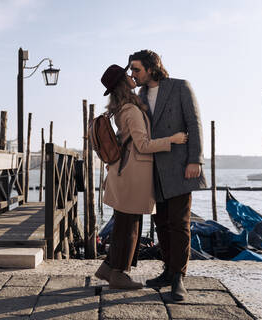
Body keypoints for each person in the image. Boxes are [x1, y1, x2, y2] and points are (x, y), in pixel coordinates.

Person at [94, 64, 188, 290]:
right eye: (127, 75)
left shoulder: (122, 108)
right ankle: (120, 275)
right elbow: (143, 145)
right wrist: (172, 140)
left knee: (125, 225)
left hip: (125, 173)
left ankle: (108, 268)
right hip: (132, 175)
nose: (131, 76)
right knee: (130, 227)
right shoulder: (131, 110)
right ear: (122, 83)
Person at [128, 50, 207, 300]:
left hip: (180, 165)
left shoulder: (180, 86)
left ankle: (178, 278)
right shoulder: (138, 96)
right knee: (161, 222)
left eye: (136, 69)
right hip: (152, 168)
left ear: (151, 68)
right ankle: (167, 271)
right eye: (131, 70)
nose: (133, 74)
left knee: (179, 223)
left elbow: (194, 124)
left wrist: (195, 159)